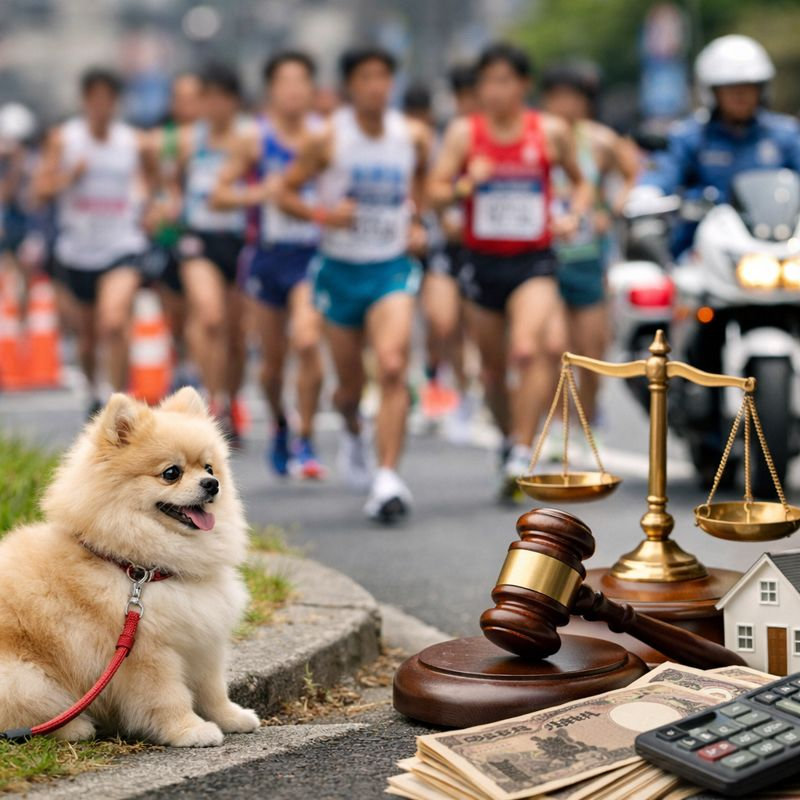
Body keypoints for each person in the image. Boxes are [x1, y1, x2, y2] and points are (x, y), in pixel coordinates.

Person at [429, 42, 592, 498]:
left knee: (527, 350)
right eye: (487, 82)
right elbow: (434, 192)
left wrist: (573, 216)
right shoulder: (465, 134)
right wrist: (466, 183)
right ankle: (507, 438)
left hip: (533, 260)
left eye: (505, 80)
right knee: (494, 371)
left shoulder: (549, 131)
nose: (496, 91)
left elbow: (580, 185)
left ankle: (523, 447)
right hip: (482, 264)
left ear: (523, 84)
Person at [277, 46, 430, 522]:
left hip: (390, 267)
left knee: (391, 365)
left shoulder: (413, 136)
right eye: (366, 77)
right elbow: (282, 192)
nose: (376, 86)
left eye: (384, 77)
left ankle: (387, 478)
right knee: (348, 388)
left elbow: (423, 179)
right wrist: (323, 214)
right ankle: (351, 429)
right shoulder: (328, 140)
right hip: (339, 271)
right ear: (350, 86)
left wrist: (417, 221)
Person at [213, 50, 325, 479]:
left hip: (313, 255)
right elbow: (219, 194)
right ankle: (280, 422)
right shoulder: (254, 139)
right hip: (267, 256)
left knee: (309, 338)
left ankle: (308, 437)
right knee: (273, 363)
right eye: (285, 82)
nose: (294, 90)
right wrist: (258, 196)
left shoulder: (326, 137)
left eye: (301, 81)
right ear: (272, 91)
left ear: (312, 89)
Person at [33, 68, 153, 414]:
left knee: (114, 323)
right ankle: (92, 390)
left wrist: (151, 203)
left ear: (116, 103)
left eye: (108, 99)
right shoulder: (64, 140)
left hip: (122, 244)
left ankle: (118, 405)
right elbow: (39, 192)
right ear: (85, 101)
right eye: (94, 98)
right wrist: (70, 176)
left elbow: (154, 182)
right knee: (86, 339)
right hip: (77, 251)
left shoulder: (133, 142)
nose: (101, 106)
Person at [636, 35, 800, 256]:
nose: (741, 96)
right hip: (701, 249)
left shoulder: (785, 134)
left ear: (762, 90)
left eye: (748, 87)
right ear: (712, 92)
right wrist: (648, 192)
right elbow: (664, 170)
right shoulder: (690, 136)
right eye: (731, 88)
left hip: (780, 245)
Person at [541, 61, 638, 425]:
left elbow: (632, 173)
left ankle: (590, 411)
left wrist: (611, 211)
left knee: (591, 347)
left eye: (572, 98)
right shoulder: (538, 135)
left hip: (588, 255)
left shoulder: (601, 139)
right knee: (553, 347)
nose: (565, 105)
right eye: (557, 97)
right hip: (547, 258)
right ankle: (556, 420)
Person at [173, 63, 248, 438]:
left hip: (241, 239)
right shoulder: (189, 140)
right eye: (209, 98)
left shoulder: (248, 139)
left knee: (236, 334)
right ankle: (212, 403)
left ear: (235, 102)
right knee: (211, 317)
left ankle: (232, 402)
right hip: (200, 237)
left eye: (224, 98)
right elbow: (166, 176)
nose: (216, 106)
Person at [146, 72, 203, 389]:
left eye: (194, 97)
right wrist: (155, 208)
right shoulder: (157, 141)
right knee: (176, 313)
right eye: (181, 98)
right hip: (169, 235)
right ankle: (180, 361)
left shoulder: (215, 137)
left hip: (204, 235)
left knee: (203, 309)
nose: (188, 105)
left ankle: (197, 371)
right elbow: (152, 185)